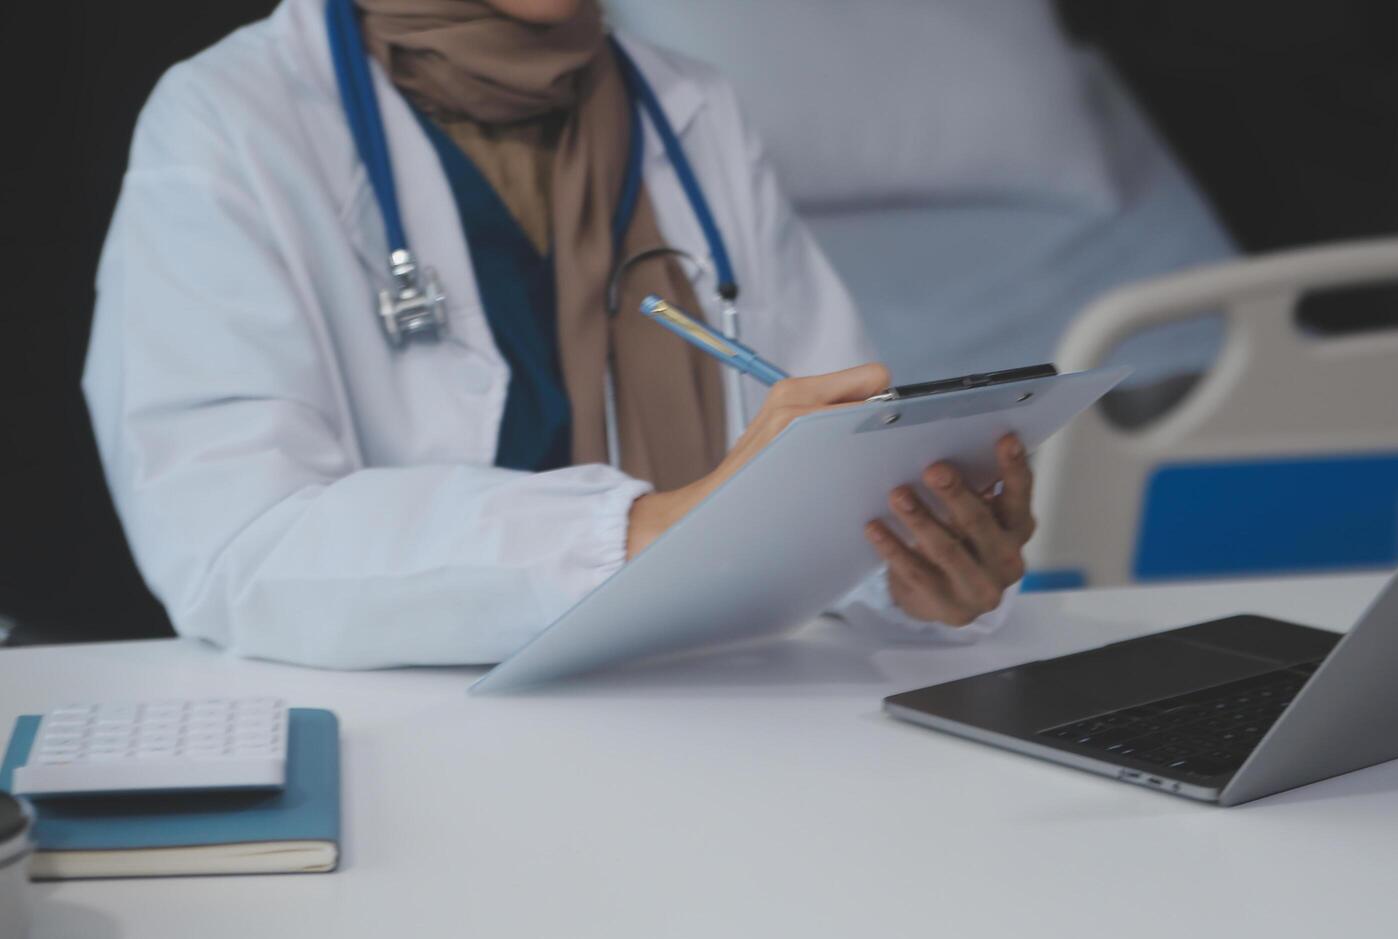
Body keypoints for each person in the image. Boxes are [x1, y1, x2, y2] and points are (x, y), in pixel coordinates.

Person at [83, 0, 1035, 669]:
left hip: (702, 725)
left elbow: (822, 469)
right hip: (406, 751)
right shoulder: (231, 121)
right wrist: (644, 529)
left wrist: (913, 570)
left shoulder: (693, 109)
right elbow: (232, 546)